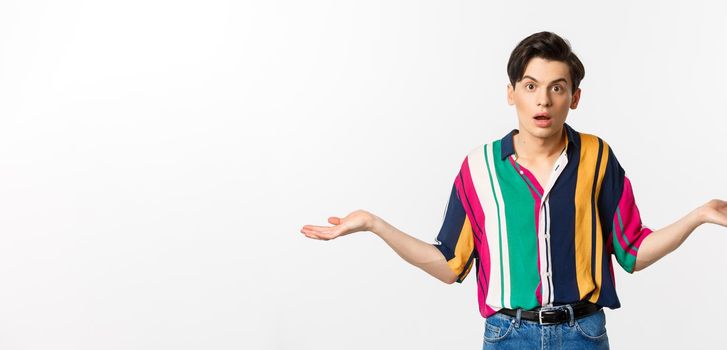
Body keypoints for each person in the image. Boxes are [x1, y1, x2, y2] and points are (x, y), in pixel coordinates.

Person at [299, 31, 727, 350]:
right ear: (511, 93)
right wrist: (374, 224)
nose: (543, 100)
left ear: (574, 97)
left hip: (583, 333)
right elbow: (450, 264)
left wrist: (700, 215)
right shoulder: (479, 168)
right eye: (530, 85)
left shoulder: (597, 158)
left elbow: (633, 252)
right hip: (507, 336)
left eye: (557, 88)